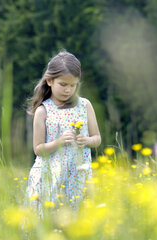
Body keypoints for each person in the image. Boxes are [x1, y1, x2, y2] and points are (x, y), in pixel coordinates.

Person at [25, 51, 101, 217]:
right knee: (48, 222)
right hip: (50, 178)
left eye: (73, 85)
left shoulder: (85, 105)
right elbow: (38, 149)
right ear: (50, 81)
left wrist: (86, 140)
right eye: (63, 84)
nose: (68, 90)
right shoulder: (43, 111)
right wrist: (58, 142)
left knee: (77, 223)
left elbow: (97, 139)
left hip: (78, 176)